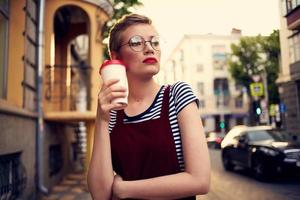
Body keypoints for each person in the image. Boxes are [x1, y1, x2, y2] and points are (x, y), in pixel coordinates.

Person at [87, 13, 210, 200]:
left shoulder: (177, 96)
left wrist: (124, 189)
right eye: (136, 42)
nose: (149, 48)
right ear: (116, 57)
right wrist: (101, 119)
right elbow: (100, 194)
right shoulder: (111, 113)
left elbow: (200, 181)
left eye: (155, 42)